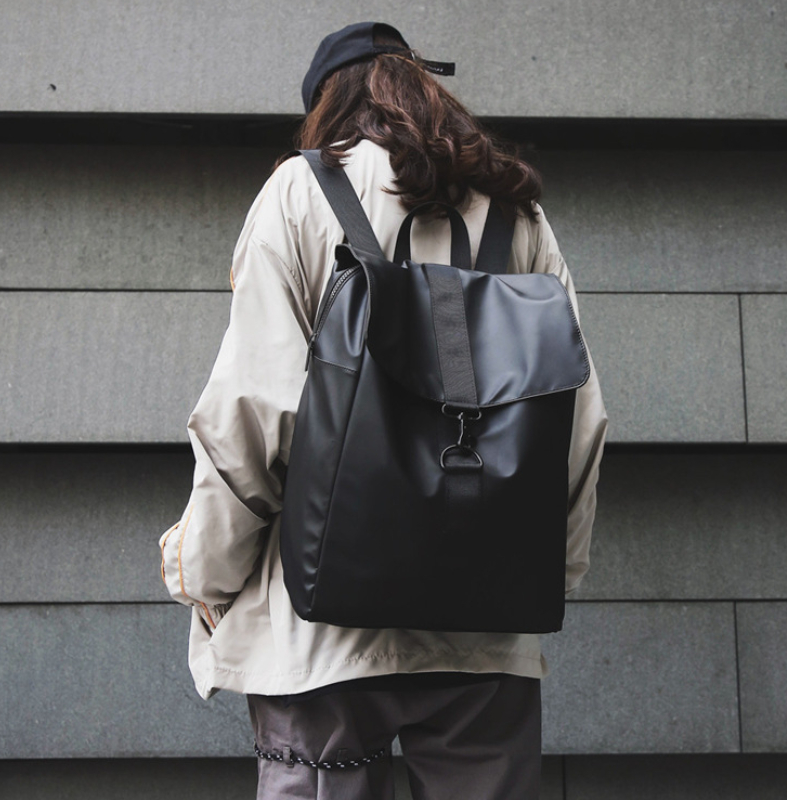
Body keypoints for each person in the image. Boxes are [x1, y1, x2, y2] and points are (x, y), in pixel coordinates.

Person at [160, 21, 607, 800]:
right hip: (483, 629)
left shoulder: (301, 192)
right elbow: (579, 423)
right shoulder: (517, 212)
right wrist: (541, 575)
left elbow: (255, 410)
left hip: (320, 633)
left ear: (326, 105)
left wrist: (204, 575)